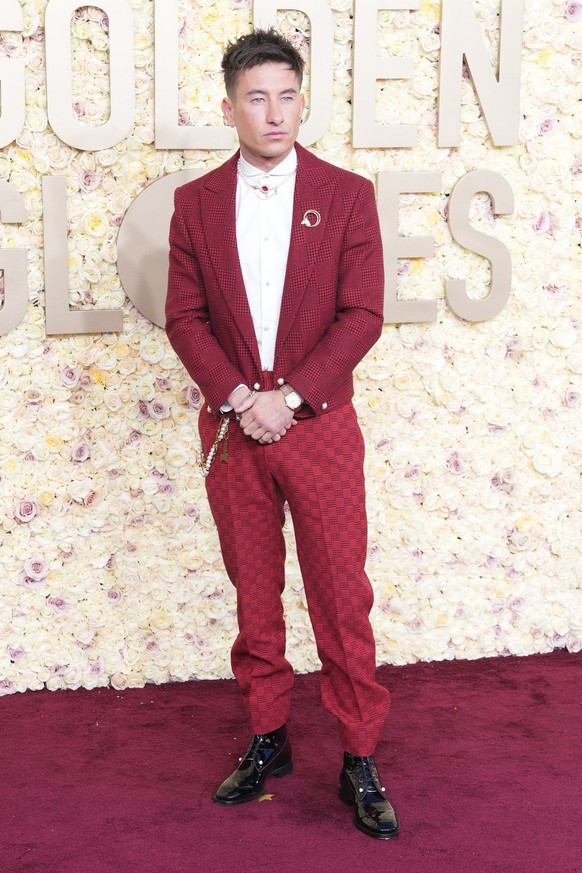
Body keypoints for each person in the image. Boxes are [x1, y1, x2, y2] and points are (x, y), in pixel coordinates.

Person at [165, 28, 399, 840]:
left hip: (320, 425)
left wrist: (290, 397)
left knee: (341, 595)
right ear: (228, 107)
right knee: (254, 592)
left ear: (304, 100)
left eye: (287, 95)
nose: (274, 112)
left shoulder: (347, 193)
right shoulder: (192, 203)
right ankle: (269, 737)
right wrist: (238, 396)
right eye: (257, 97)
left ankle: (359, 756)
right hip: (234, 429)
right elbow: (185, 316)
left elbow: (363, 313)